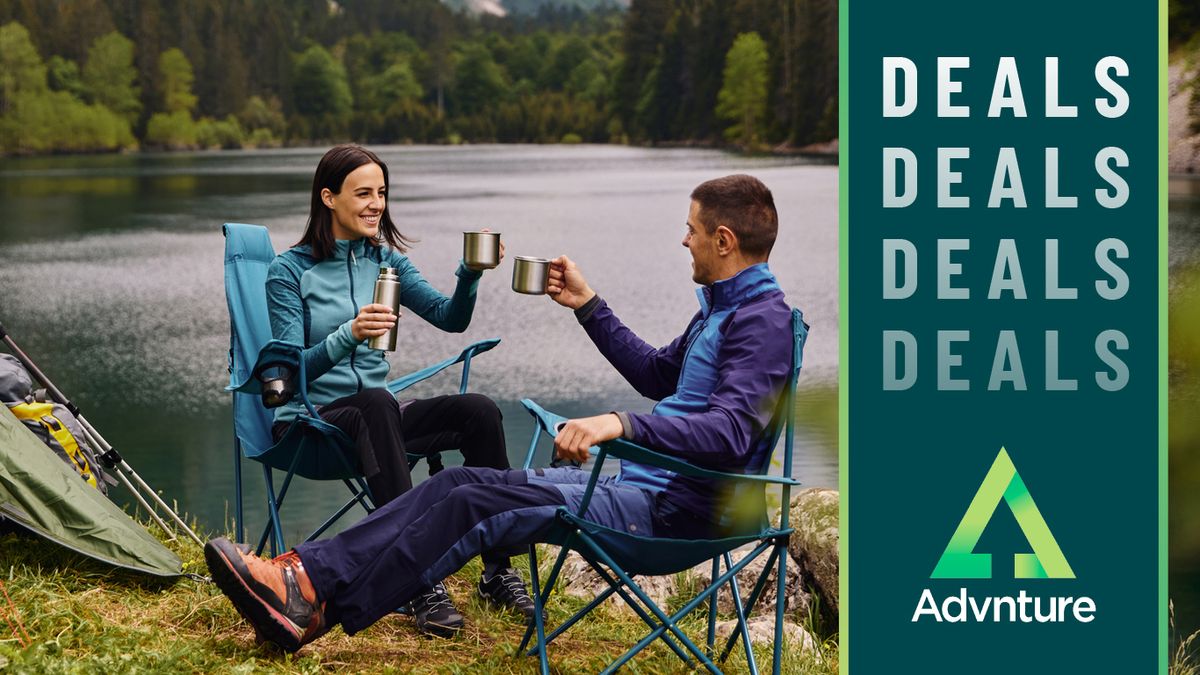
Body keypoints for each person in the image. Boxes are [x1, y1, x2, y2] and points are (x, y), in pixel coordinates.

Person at [205, 174, 796, 654]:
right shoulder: (720, 312)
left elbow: (730, 432)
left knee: (470, 501)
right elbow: (657, 375)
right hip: (643, 485)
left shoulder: (761, 322)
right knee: (462, 481)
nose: (682, 241)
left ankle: (310, 597)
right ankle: (304, 580)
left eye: (690, 231)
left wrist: (623, 423)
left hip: (673, 515)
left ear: (723, 240)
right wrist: (588, 306)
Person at [264, 144, 533, 636]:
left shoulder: (386, 263)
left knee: (478, 411)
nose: (375, 204)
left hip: (378, 417)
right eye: (362, 193)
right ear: (328, 197)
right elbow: (286, 371)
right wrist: (349, 334)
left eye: (381, 193)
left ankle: (498, 570)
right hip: (312, 419)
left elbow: (450, 320)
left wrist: (469, 274)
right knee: (376, 404)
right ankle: (415, 581)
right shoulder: (289, 272)